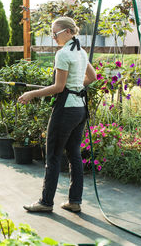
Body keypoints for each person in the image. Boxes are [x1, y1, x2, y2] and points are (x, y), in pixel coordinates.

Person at [18, 17, 97, 213]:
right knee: (74, 154)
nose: (53, 37)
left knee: (52, 155)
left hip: (66, 110)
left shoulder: (63, 54)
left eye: (56, 33)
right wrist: (76, 87)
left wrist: (31, 94)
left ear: (69, 32)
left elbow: (58, 87)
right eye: (52, 33)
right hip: (80, 109)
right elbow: (92, 78)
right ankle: (74, 201)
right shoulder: (81, 52)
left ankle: (46, 202)